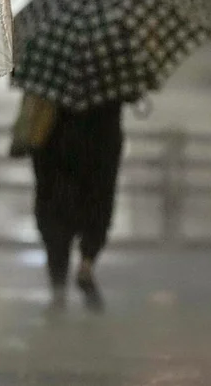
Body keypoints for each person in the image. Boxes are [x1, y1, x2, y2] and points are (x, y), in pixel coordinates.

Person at [31, 102, 124, 315]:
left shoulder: (50, 79)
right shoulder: (110, 78)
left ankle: (58, 288)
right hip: (101, 144)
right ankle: (86, 264)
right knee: (98, 208)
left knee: (54, 215)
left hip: (54, 142)